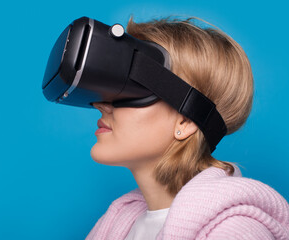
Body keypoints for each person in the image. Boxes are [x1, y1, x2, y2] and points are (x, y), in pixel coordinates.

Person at [84, 17, 289, 239]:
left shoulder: (235, 233)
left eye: (130, 92)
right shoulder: (117, 221)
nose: (101, 105)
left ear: (185, 121)